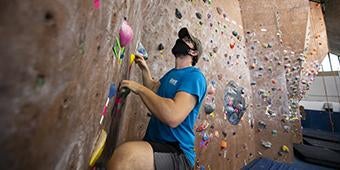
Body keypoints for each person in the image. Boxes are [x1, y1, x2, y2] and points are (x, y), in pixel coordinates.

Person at [107, 27, 207, 170]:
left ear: (193, 52)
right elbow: (154, 89)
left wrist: (139, 89)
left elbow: (173, 115)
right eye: (181, 39)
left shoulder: (195, 77)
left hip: (178, 153)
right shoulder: (172, 73)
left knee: (125, 157)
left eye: (187, 40)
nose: (181, 41)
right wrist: (144, 70)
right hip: (158, 144)